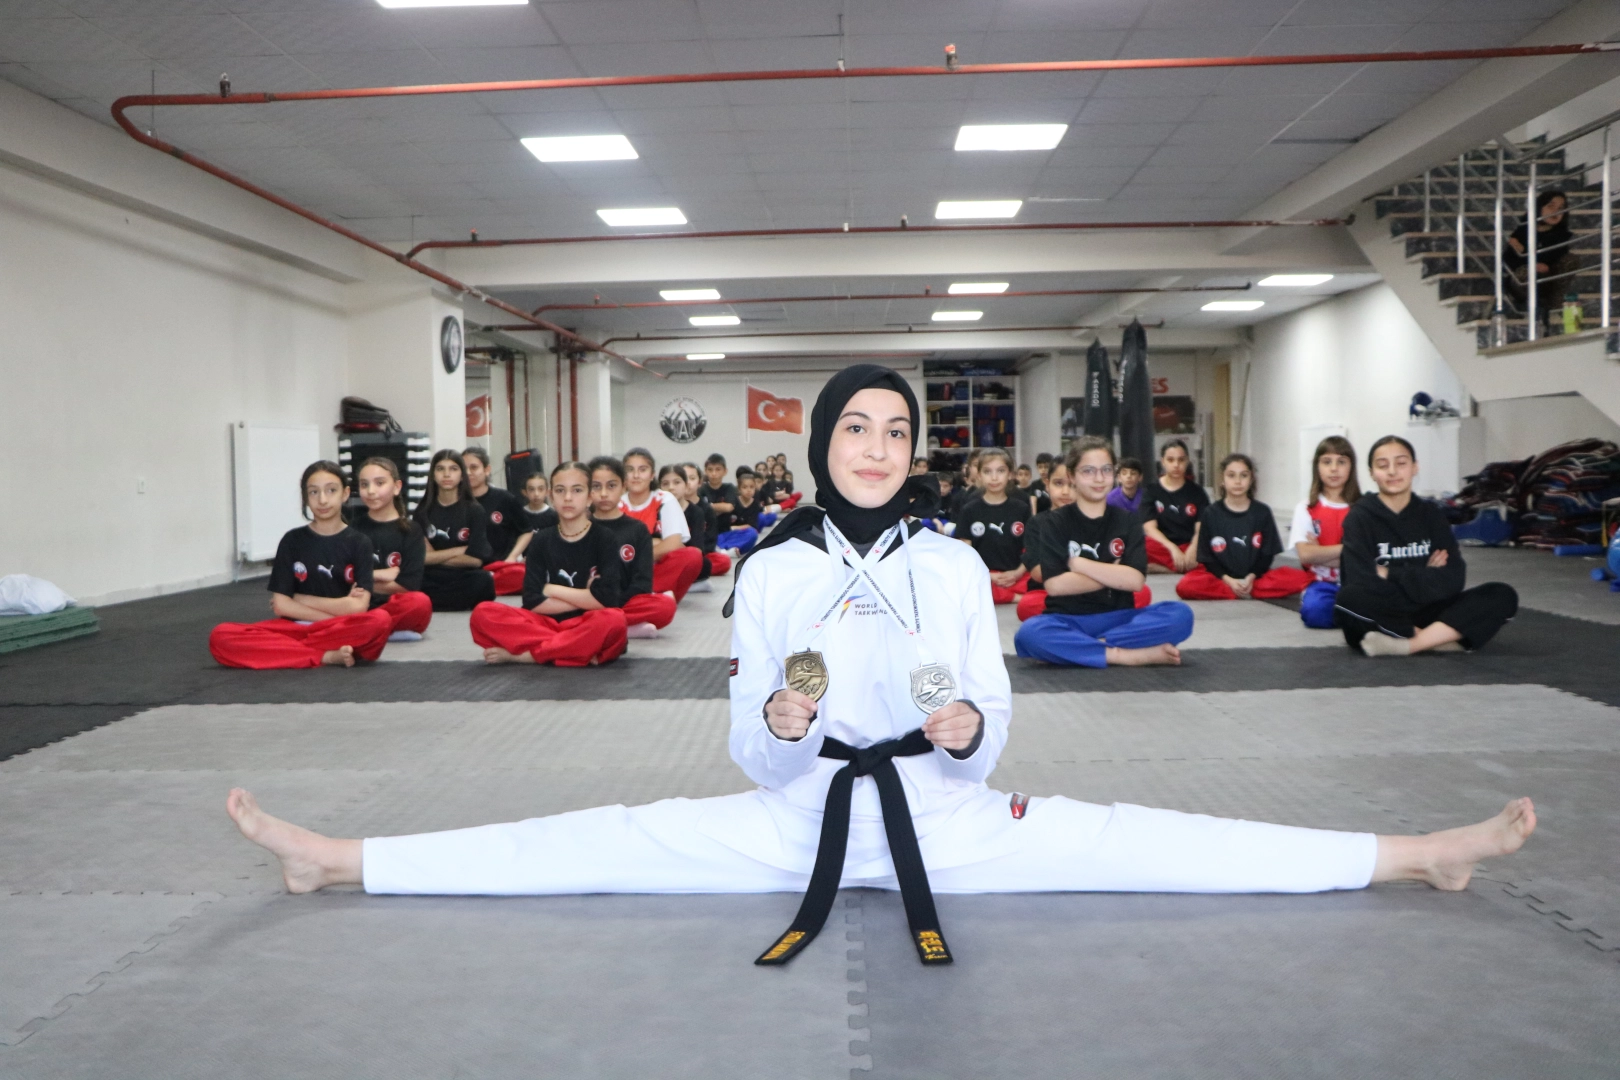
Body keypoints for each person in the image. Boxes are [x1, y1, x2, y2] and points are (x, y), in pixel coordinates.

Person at [226, 367, 1537, 972]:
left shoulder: (953, 564)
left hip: (946, 818)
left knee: (1156, 838)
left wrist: (967, 734)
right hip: (794, 815)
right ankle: (340, 860)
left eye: (894, 430)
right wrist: (784, 724)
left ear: (914, 450)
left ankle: (1415, 854)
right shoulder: (772, 569)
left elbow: (994, 712)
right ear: (821, 444)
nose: (874, 445)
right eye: (853, 426)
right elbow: (751, 747)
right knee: (593, 840)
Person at [1014, 438, 1193, 666]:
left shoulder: (1128, 521)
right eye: (1088, 471)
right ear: (1072, 476)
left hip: (1121, 619)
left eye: (1106, 470)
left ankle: (1083, 649)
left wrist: (1079, 564)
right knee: (1030, 633)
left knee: (1180, 614)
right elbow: (1056, 585)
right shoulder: (1053, 522)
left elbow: (1135, 581)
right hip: (1068, 619)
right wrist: (1114, 574)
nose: (1099, 478)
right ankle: (1121, 654)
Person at [1335, 437, 1519, 658]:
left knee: (1502, 594)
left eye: (1401, 463)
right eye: (1383, 465)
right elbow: (1359, 579)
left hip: (1429, 607)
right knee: (1349, 599)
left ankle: (1411, 644)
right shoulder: (1359, 517)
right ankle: (1441, 640)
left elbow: (1454, 578)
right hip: (1385, 608)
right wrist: (1426, 575)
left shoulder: (1431, 515)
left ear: (1415, 467)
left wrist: (1391, 573)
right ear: (1372, 473)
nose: (1392, 471)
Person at [208, 461, 392, 669]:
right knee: (221, 635)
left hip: (340, 628)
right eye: (314, 492)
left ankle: (289, 652)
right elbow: (281, 606)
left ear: (345, 493)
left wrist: (300, 598)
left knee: (380, 620)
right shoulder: (292, 540)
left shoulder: (360, 542)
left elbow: (358, 607)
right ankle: (324, 655)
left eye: (331, 490)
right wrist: (333, 613)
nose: (322, 500)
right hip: (296, 627)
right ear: (305, 497)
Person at [468, 461, 629, 667]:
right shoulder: (541, 540)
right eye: (560, 491)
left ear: (590, 497)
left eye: (577, 490)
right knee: (483, 613)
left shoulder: (605, 538)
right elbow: (532, 602)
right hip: (545, 623)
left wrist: (551, 589)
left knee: (614, 621)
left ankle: (530, 655)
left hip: (588, 622)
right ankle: (574, 650)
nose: (568, 497)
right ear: (551, 496)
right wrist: (588, 596)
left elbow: (608, 601)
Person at [1176, 454, 1314, 602]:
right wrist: (1227, 579)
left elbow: (1266, 555)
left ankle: (1244, 589)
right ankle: (1238, 591)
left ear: (1251, 479)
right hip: (1221, 578)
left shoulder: (1262, 512)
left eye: (1243, 475)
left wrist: (1252, 576)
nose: (1238, 481)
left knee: (1301, 577)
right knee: (1186, 585)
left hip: (1256, 578)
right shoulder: (1211, 513)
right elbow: (1207, 558)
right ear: (1222, 480)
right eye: (1231, 475)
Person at [589, 455, 675, 638]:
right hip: (587, 601)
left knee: (665, 606)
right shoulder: (580, 526)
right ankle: (621, 626)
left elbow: (643, 582)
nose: (603, 493)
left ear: (624, 486)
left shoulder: (637, 529)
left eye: (611, 486)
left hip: (625, 600)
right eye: (596, 486)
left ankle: (607, 624)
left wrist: (615, 602)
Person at [348, 457, 432, 641]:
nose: (371, 491)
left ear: (396, 487)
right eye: (364, 484)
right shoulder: (352, 529)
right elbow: (345, 579)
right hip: (359, 605)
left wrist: (364, 579)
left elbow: (407, 585)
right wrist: (379, 574)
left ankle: (373, 628)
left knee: (420, 602)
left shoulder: (411, 530)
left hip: (393, 605)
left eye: (379, 483)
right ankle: (381, 629)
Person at [414, 450, 497, 611]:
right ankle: (448, 602)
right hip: (431, 576)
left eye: (453, 469)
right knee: (410, 579)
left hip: (463, 575)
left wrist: (434, 556)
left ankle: (434, 603)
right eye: (440, 469)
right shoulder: (422, 512)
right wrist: (459, 550)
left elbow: (475, 560)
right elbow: (420, 558)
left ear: (462, 475)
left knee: (484, 580)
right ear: (433, 475)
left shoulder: (475, 510)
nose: (446, 474)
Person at [1291, 437, 1359, 630]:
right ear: (1317, 467)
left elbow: (1367, 557)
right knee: (1315, 613)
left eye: (1341, 462)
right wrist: (1350, 550)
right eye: (1327, 462)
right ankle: (1354, 618)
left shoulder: (1364, 508)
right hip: (1321, 584)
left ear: (1351, 467)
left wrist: (1321, 553)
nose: (1334, 469)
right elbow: (1306, 555)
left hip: (1357, 583)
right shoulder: (1306, 508)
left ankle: (1353, 615)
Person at [622, 447, 702, 602]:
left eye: (642, 469)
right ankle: (650, 598)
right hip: (625, 572)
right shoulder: (617, 503)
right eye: (630, 470)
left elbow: (673, 544)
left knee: (692, 556)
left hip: (656, 569)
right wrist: (655, 542)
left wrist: (638, 553)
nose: (636, 475)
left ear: (652, 475)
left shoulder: (665, 499)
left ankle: (643, 596)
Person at [953, 449, 1029, 604]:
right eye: (987, 472)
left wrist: (1018, 573)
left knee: (1043, 583)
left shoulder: (1022, 508)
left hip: (1016, 576)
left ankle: (1004, 595)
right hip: (983, 576)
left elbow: (1031, 548)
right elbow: (965, 553)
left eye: (1000, 471)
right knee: (964, 584)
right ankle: (1014, 597)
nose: (994, 477)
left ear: (1010, 474)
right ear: (979, 475)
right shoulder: (969, 510)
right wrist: (988, 575)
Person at [1504, 189, 1576, 334]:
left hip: (1549, 282)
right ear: (1539, 207)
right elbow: (1508, 260)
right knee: (1528, 271)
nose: (1556, 212)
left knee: (1570, 260)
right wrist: (1532, 263)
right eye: (1551, 206)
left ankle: (1553, 309)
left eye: (1561, 209)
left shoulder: (1562, 235)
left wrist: (1524, 252)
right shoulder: (1523, 230)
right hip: (1522, 283)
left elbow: (1552, 258)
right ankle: (1529, 310)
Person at [464, 448, 529, 596]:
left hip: (500, 569)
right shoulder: (456, 502)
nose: (468, 473)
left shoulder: (505, 499)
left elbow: (526, 531)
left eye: (474, 467)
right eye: (463, 468)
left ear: (487, 470)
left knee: (524, 576)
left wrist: (512, 557)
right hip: (468, 570)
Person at [1141, 440, 1207, 574]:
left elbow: (1201, 528)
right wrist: (1172, 548)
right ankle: (1185, 567)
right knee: (1139, 546)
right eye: (1170, 460)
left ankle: (1167, 568)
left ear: (1187, 461)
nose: (1176, 465)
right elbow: (1149, 528)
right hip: (1163, 546)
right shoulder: (1151, 491)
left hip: (1189, 545)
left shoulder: (1197, 492)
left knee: (1214, 548)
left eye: (1181, 460)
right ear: (1163, 462)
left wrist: (1193, 548)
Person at [662, 464, 717, 592]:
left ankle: (675, 586)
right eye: (665, 484)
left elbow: (697, 549)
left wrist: (673, 545)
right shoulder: (656, 509)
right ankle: (676, 586)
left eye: (677, 483)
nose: (671, 487)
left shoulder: (697, 512)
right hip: (660, 558)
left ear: (686, 485)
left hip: (682, 558)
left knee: (705, 563)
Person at [499, 472, 561, 569]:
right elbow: (513, 540)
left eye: (540, 489)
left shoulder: (554, 516)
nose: (536, 494)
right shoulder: (519, 514)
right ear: (524, 492)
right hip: (522, 564)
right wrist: (519, 558)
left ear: (547, 492)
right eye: (531, 489)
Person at [682, 462, 731, 579]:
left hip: (701, 553)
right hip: (678, 553)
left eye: (692, 478)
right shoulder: (671, 505)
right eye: (684, 478)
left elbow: (711, 539)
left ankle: (690, 570)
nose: (688, 482)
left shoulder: (707, 509)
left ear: (699, 482)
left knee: (724, 561)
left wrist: (698, 551)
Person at [718, 472, 767, 555]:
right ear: (739, 489)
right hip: (729, 533)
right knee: (718, 536)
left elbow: (751, 526)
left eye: (751, 487)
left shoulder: (755, 504)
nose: (749, 490)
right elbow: (724, 524)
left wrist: (735, 528)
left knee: (752, 534)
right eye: (745, 487)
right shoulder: (733, 501)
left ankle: (728, 549)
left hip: (742, 533)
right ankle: (724, 549)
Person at [702, 454, 740, 536]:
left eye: (718, 469)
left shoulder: (729, 487)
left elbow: (728, 507)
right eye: (710, 470)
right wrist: (720, 507)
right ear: (705, 471)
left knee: (750, 533)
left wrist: (708, 506)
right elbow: (699, 508)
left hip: (725, 532)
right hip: (707, 533)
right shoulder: (701, 489)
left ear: (725, 471)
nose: (714, 473)